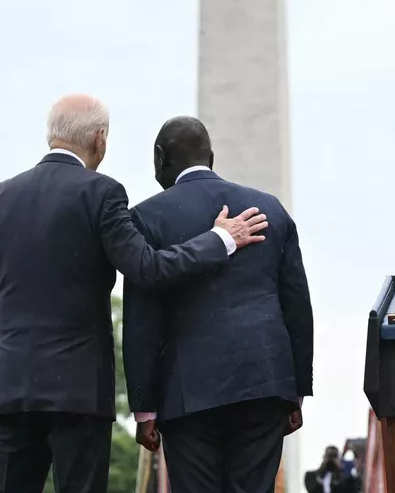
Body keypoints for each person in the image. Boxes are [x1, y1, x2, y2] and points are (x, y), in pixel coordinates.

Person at [0, 95, 271, 493]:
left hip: (9, 389)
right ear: (100, 139)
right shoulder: (102, 194)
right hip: (78, 393)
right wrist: (219, 240)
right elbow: (148, 268)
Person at [123, 117, 315, 493]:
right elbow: (297, 306)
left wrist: (144, 410)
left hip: (186, 390)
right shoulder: (271, 210)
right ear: (211, 156)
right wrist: (295, 392)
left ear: (160, 158)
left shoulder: (147, 218)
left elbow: (142, 320)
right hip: (263, 384)